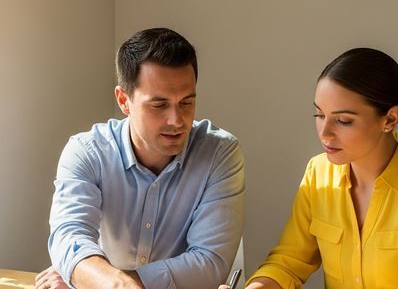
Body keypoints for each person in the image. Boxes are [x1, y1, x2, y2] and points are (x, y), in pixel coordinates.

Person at [227, 48, 398, 289]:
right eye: (319, 115)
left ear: (390, 118)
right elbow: (288, 264)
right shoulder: (318, 174)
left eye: (343, 120)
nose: (325, 133)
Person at [36, 27, 246, 289]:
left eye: (186, 102)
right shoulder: (86, 152)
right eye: (159, 105)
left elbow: (209, 264)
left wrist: (100, 279)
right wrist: (86, 270)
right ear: (124, 100)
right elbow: (69, 237)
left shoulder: (219, 154)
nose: (177, 120)